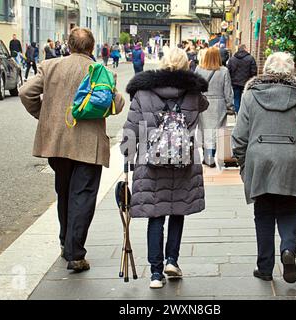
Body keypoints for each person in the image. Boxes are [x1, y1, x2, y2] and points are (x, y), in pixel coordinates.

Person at [19, 27, 125, 272]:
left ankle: (65, 242)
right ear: (92, 47)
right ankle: (75, 253)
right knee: (83, 196)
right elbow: (118, 104)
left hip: (57, 142)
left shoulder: (51, 66)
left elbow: (26, 93)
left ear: (68, 46)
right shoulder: (100, 72)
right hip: (88, 145)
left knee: (64, 192)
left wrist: (45, 117)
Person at [232, 52, 296, 284]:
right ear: (291, 72)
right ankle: (288, 250)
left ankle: (264, 268)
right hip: (292, 161)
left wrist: (244, 165)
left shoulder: (251, 95)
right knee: (288, 209)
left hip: (259, 159)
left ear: (266, 70)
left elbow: (239, 136)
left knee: (263, 213)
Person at [120, 47, 209, 289]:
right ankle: (172, 260)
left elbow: (131, 129)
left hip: (151, 163)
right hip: (183, 163)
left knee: (156, 215)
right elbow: (204, 106)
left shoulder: (143, 92)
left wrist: (127, 157)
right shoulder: (192, 93)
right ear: (185, 66)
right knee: (177, 211)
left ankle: (156, 274)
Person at [195, 47, 233, 167]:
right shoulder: (223, 71)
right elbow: (228, 91)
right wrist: (230, 105)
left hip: (203, 103)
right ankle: (210, 157)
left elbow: (195, 88)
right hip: (218, 104)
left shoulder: (199, 69)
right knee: (216, 132)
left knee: (204, 130)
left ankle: (207, 157)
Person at [227, 44, 257, 113]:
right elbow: (254, 72)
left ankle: (238, 114)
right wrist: (252, 81)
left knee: (236, 99)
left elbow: (228, 71)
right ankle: (245, 114)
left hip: (235, 83)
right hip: (247, 83)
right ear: (245, 49)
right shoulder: (250, 58)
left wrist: (231, 80)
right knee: (246, 99)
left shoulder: (232, 59)